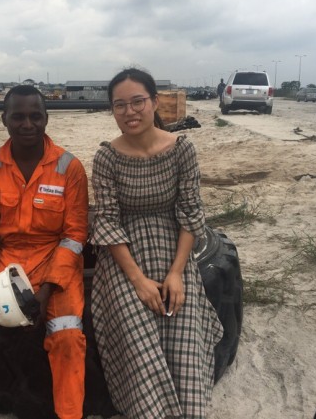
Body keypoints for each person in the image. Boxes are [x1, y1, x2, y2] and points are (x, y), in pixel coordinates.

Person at [0, 85, 89, 419]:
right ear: (4, 120)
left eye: (35, 116)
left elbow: (74, 235)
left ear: (46, 119)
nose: (27, 124)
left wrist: (47, 290)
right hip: (2, 262)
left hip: (56, 261)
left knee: (68, 339)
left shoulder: (69, 167)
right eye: (18, 117)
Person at [90, 67, 223, 418]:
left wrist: (177, 272)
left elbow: (190, 211)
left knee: (183, 326)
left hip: (173, 246)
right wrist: (137, 280)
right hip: (124, 255)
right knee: (137, 332)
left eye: (137, 102)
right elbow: (107, 220)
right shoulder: (107, 157)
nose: (129, 112)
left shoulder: (181, 150)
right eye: (119, 105)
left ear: (153, 102)